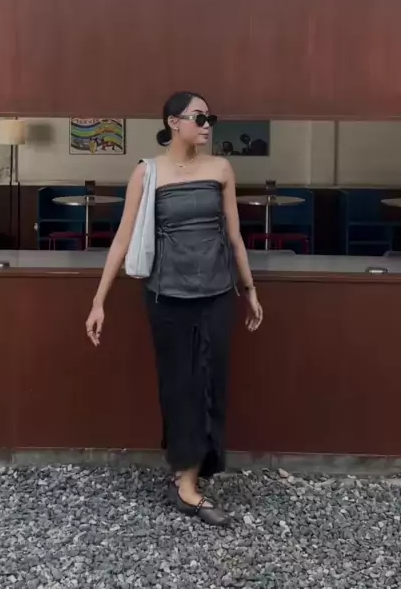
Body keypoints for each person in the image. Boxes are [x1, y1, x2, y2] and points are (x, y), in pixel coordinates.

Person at [86, 91, 263, 527]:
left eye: (210, 118)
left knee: (211, 383)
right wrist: (98, 301)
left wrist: (249, 290)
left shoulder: (221, 169)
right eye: (199, 117)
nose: (207, 125)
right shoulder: (147, 172)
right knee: (181, 386)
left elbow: (235, 237)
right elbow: (123, 239)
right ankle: (185, 482)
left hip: (217, 295)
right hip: (167, 298)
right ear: (173, 122)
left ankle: (192, 476)